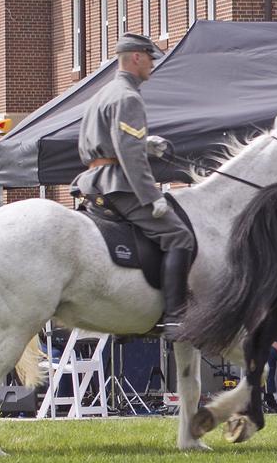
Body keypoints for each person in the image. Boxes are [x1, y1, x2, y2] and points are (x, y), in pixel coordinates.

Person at [71, 33, 195, 340]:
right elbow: (128, 155)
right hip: (119, 185)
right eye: (150, 58)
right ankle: (176, 317)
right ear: (136, 57)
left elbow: (113, 141)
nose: (153, 64)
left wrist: (145, 143)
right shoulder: (128, 97)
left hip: (93, 180)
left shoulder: (103, 93)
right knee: (179, 236)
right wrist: (152, 195)